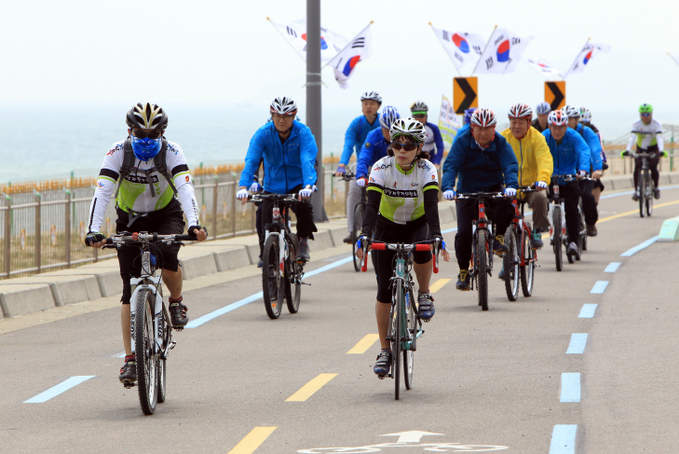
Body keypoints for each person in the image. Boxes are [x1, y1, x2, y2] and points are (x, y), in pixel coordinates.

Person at [84, 102, 208, 384]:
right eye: (141, 134)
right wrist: (93, 230)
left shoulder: (172, 151)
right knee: (129, 289)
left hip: (166, 215)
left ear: (163, 133)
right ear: (130, 131)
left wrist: (194, 224)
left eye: (154, 135)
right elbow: (103, 192)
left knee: (167, 256)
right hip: (129, 219)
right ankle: (130, 359)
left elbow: (185, 188)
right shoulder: (118, 152)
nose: (148, 140)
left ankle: (176, 302)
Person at [355, 118, 450, 377]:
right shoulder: (381, 168)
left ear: (419, 148)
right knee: (384, 292)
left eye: (409, 146)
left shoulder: (427, 169)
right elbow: (371, 206)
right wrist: (365, 234)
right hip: (386, 226)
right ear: (391, 144)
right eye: (397, 144)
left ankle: (424, 293)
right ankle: (385, 350)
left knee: (423, 247)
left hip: (417, 224)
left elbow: (432, 206)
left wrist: (438, 235)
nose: (402, 150)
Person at [441, 108, 519, 291]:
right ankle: (463, 271)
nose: (483, 133)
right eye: (479, 129)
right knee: (463, 233)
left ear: (494, 129)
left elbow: (510, 164)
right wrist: (447, 187)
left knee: (507, 202)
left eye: (487, 129)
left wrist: (511, 185)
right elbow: (451, 165)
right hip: (467, 191)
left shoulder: (500, 143)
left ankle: (499, 236)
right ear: (472, 127)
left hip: (493, 188)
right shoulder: (462, 142)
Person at [236, 97, 318, 261]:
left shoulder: (303, 133)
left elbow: (307, 159)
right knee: (261, 215)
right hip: (272, 185)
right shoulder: (263, 134)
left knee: (304, 207)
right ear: (272, 116)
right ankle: (264, 253)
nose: (281, 120)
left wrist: (308, 184)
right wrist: (243, 186)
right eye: (277, 116)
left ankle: (302, 242)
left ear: (293, 117)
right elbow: (251, 161)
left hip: (297, 184)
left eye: (286, 116)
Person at [500, 103, 553, 249]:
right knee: (497, 206)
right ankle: (503, 248)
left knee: (541, 198)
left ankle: (537, 230)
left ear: (529, 123)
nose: (516, 126)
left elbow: (545, 160)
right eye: (513, 122)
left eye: (521, 122)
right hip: (509, 187)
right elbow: (493, 161)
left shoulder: (537, 138)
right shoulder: (502, 138)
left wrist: (542, 179)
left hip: (531, 186)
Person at [334, 91, 382, 243]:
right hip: (362, 163)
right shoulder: (357, 124)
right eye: (365, 103)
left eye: (372, 104)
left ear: (378, 106)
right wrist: (342, 165)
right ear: (361, 106)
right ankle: (353, 230)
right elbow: (348, 145)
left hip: (382, 165)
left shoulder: (383, 123)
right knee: (354, 190)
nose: (368, 107)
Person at [542, 110, 590, 260]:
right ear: (549, 126)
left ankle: (574, 243)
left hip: (569, 178)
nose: (557, 131)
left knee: (571, 210)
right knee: (540, 200)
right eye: (554, 127)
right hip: (549, 178)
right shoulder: (543, 137)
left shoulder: (573, 136)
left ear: (566, 126)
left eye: (561, 127)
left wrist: (583, 169)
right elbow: (536, 154)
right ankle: (544, 229)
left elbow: (583, 150)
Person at [563, 105, 603, 237]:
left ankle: (590, 223)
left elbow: (594, 150)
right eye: (565, 119)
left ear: (576, 120)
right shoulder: (559, 132)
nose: (568, 122)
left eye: (570, 119)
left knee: (587, 196)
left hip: (584, 172)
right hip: (566, 172)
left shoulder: (587, 132)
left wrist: (597, 168)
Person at [622, 103, 667, 200]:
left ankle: (656, 188)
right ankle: (636, 190)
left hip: (653, 148)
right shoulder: (636, 124)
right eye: (643, 114)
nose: (645, 117)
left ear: (651, 114)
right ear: (640, 115)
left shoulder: (656, 124)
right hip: (641, 148)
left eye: (647, 114)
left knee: (653, 167)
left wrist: (661, 151)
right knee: (637, 168)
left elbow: (659, 138)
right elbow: (632, 138)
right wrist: (627, 150)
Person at [354, 106, 401, 186]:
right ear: (381, 127)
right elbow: (364, 157)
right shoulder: (373, 136)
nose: (390, 134)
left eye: (393, 131)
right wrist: (361, 175)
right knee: (354, 189)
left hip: (397, 170)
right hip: (374, 169)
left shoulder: (404, 136)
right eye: (387, 131)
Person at [579, 107, 608, 204]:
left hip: (590, 159)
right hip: (575, 159)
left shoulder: (594, 131)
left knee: (596, 181)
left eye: (585, 124)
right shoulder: (571, 131)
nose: (583, 126)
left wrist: (601, 162)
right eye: (580, 123)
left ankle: (593, 205)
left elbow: (598, 148)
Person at [409, 101, 445, 166]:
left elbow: (440, 147)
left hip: (430, 161)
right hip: (412, 161)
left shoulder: (433, 128)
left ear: (426, 116)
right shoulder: (407, 129)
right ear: (412, 116)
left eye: (422, 115)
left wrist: (437, 162)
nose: (419, 118)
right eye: (416, 115)